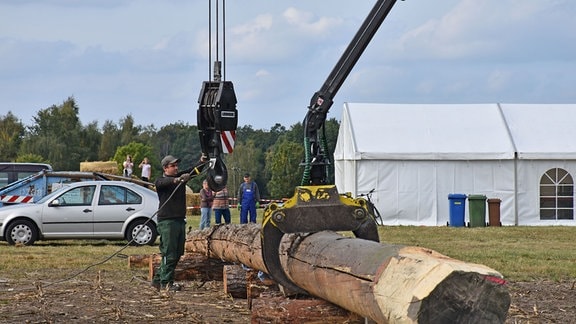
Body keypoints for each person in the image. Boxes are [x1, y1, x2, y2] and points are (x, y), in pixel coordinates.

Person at [151, 154, 207, 292]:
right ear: (165, 168)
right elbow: (165, 183)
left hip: (179, 220)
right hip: (167, 222)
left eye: (177, 165)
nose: (176, 168)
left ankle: (158, 281)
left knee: (176, 254)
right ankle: (166, 284)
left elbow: (194, 171)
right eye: (173, 166)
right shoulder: (161, 182)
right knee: (168, 253)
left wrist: (202, 161)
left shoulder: (181, 176)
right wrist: (178, 180)